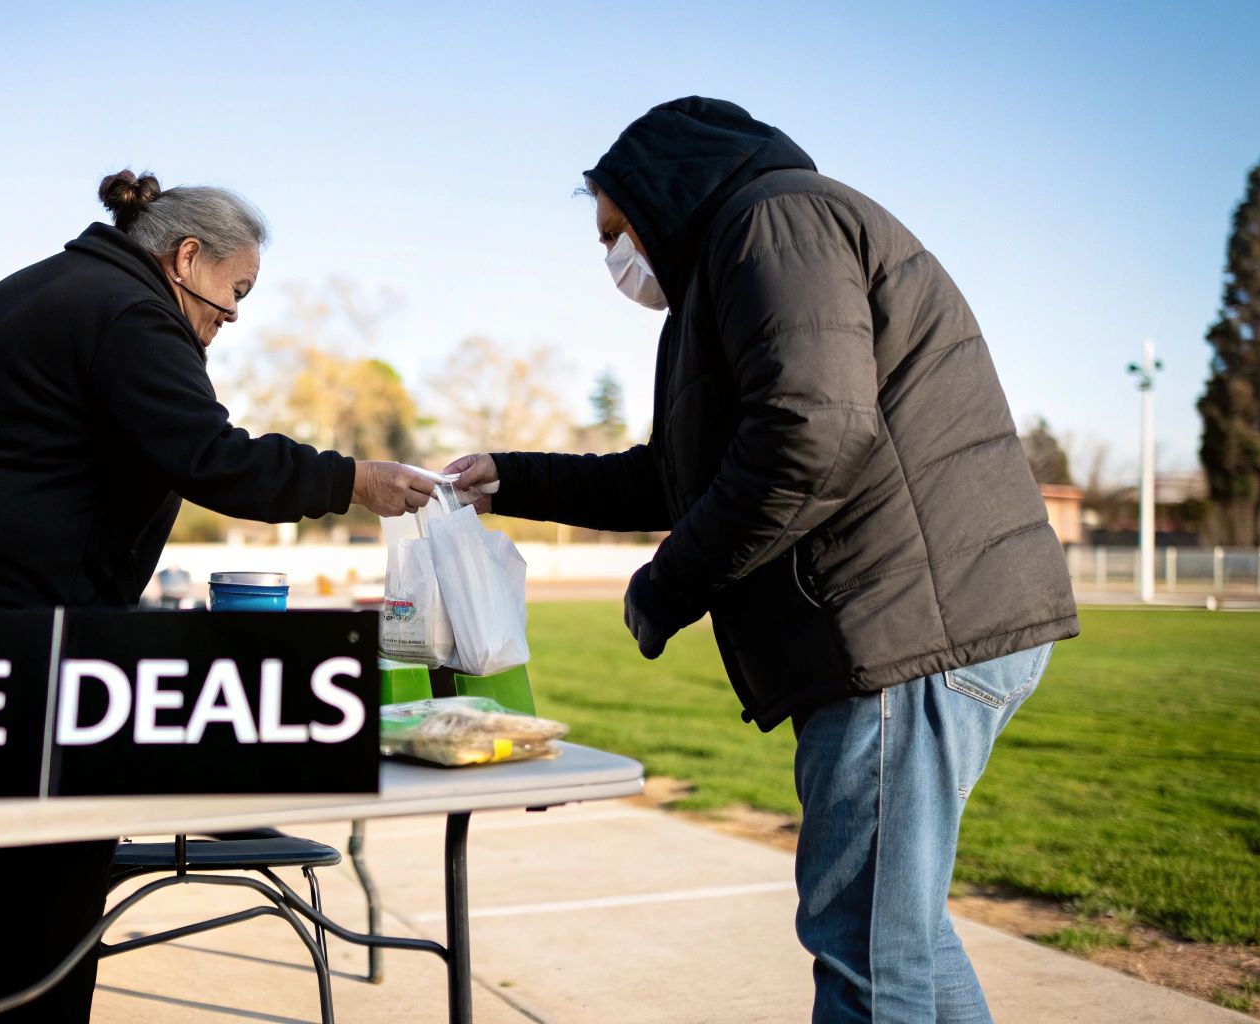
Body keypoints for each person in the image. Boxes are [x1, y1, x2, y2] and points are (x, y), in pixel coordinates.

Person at [447, 97, 1079, 1023]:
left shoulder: (773, 224)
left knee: (864, 944)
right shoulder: (735, 266)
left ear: (664, 197)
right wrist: (512, 477)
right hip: (912, 629)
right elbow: (679, 477)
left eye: (615, 232)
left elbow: (811, 437)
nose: (614, 260)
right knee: (898, 933)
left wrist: (671, 585)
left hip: (903, 632)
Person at [0, 169, 436, 1019]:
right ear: (187, 256)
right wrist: (354, 479)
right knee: (48, 856)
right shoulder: (131, 313)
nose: (228, 320)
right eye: (233, 294)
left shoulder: (53, 286)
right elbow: (212, 457)